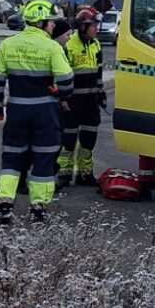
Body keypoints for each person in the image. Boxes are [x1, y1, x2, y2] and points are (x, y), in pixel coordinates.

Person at [0, 0, 73, 224]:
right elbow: (66, 80)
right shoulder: (52, 47)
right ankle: (38, 210)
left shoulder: (8, 45)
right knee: (44, 160)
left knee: (12, 159)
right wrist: (61, 94)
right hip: (45, 113)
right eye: (52, 22)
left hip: (16, 111)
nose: (54, 26)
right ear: (42, 23)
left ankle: (4, 205)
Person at [57, 10, 105, 189]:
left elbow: (98, 71)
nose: (96, 29)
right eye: (93, 25)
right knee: (68, 138)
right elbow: (62, 74)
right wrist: (63, 98)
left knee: (89, 138)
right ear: (83, 26)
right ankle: (64, 172)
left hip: (90, 101)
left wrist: (100, 92)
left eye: (96, 25)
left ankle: (85, 173)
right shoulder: (69, 46)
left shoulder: (96, 45)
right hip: (72, 101)